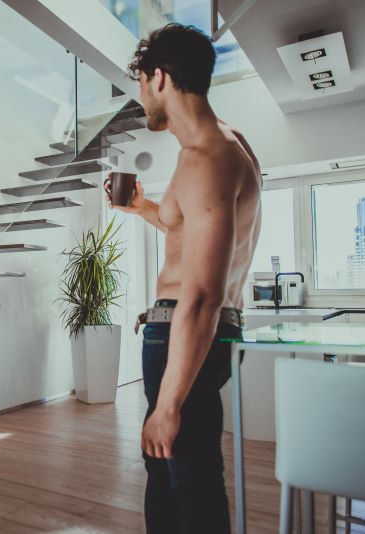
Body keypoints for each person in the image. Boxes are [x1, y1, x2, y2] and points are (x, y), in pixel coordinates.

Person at [106, 23, 262, 533]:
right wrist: (143, 207)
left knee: (187, 475)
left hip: (186, 328)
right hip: (182, 327)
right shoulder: (225, 146)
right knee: (169, 470)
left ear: (160, 77)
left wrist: (168, 403)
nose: (140, 98)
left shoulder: (206, 159)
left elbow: (201, 294)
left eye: (140, 84)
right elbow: (184, 229)